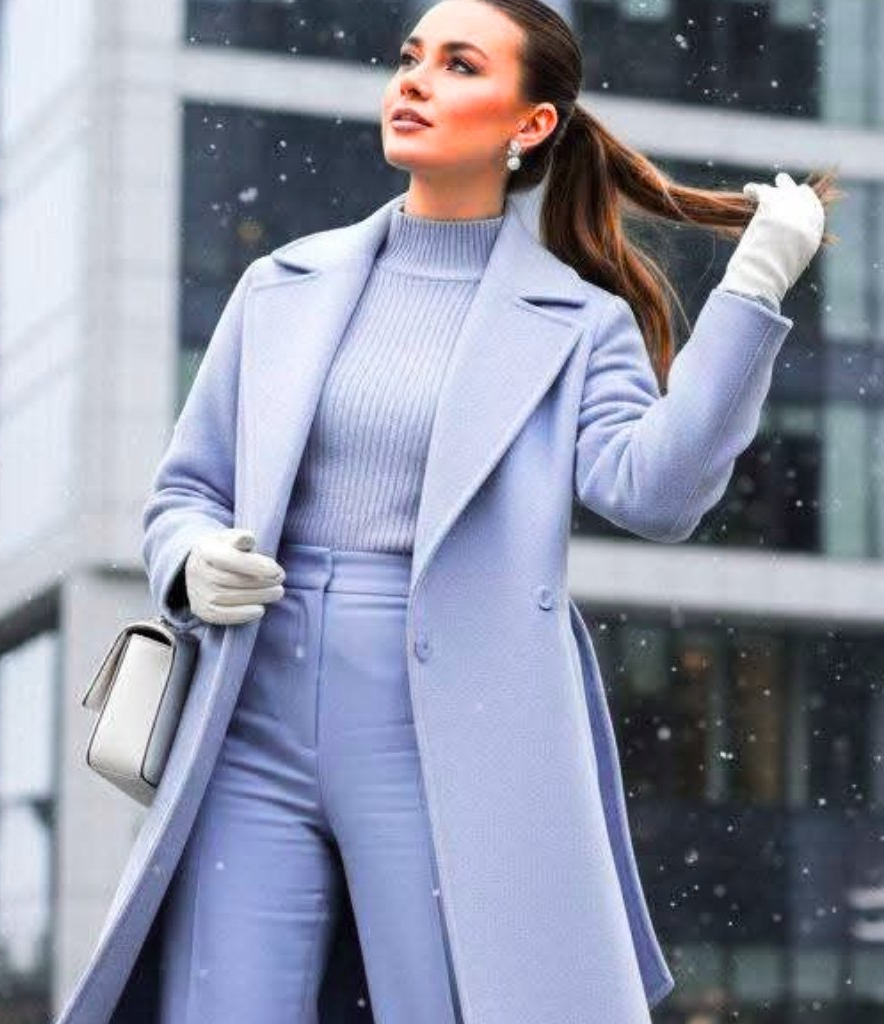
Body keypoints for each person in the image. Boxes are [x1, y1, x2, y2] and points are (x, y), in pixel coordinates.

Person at [138, 1, 839, 1022]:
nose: (413, 80)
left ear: (530, 125)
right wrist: (192, 557)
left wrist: (755, 283)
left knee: (448, 1001)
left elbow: (654, 492)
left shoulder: (577, 321)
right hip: (250, 709)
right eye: (409, 57)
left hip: (442, 722)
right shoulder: (279, 285)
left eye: (459, 64)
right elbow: (185, 488)